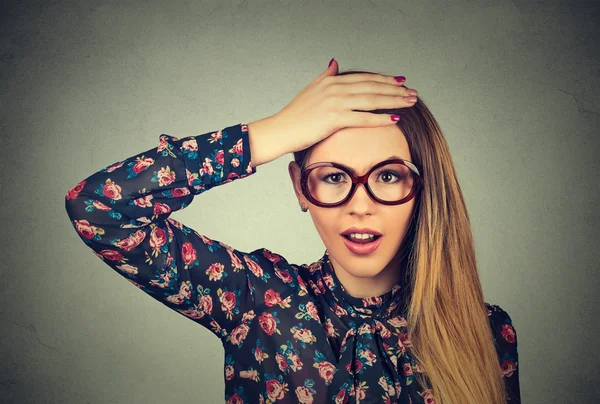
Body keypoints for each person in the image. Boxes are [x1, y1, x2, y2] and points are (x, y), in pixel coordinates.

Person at [64, 58, 520, 404]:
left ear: (423, 188)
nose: (360, 206)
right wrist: (274, 132)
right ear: (301, 188)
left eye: (387, 176)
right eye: (334, 176)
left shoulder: (487, 330)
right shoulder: (256, 301)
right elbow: (99, 207)